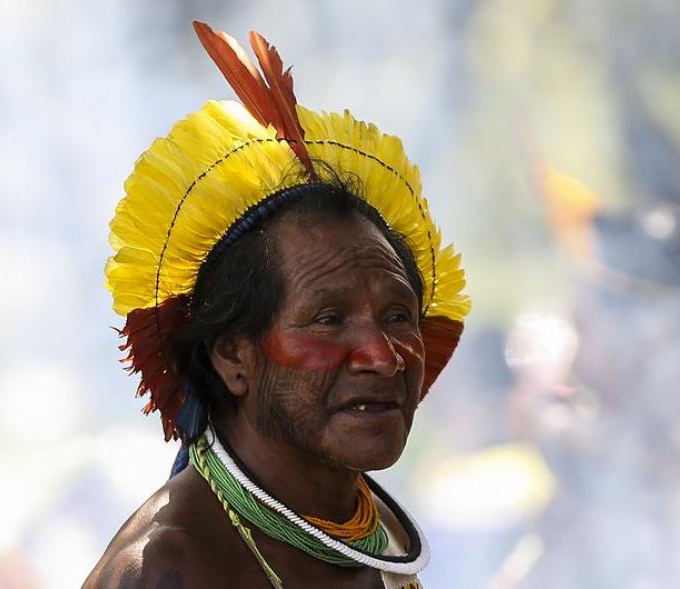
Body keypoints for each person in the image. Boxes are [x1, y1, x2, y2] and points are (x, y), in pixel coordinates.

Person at [85, 22, 470, 588]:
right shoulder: (171, 568)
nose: (383, 358)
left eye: (397, 317)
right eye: (328, 320)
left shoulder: (371, 532)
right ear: (232, 358)